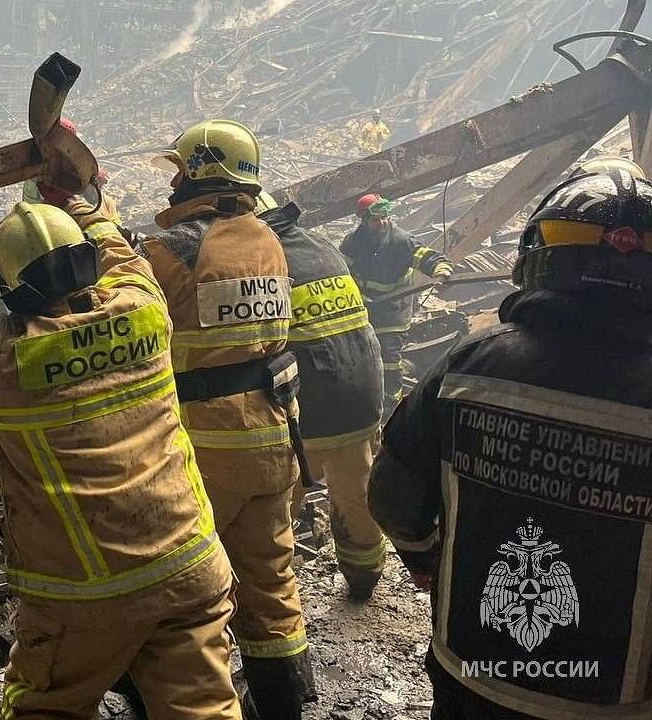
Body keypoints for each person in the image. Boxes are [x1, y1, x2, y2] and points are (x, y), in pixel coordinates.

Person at [0, 164, 240, 720]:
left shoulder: (2, 356)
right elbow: (118, 250)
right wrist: (78, 197)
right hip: (189, 564)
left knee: (46, 707)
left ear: (7, 287)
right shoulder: (145, 308)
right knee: (203, 707)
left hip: (85, 594)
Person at [367, 168, 652, 718]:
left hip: (473, 680)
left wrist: (424, 558)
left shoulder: (466, 368)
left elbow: (393, 501)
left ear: (538, 258)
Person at [142, 120, 312, 720]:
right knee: (271, 585)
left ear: (198, 172)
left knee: (194, 595)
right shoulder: (265, 238)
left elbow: (122, 298)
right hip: (272, 437)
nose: (173, 183)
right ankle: (286, 707)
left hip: (204, 450)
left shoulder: (173, 252)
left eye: (179, 170)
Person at [256, 192, 387, 601]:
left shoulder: (261, 260)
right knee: (357, 495)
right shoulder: (322, 247)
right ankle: (364, 580)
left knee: (274, 506)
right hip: (363, 400)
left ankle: (269, 593)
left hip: (309, 412)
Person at [341, 194, 453, 415]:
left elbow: (429, 258)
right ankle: (368, 397)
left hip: (395, 309)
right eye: (377, 219)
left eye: (385, 217)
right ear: (363, 220)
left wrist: (441, 272)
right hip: (366, 306)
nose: (383, 222)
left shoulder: (401, 240)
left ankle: (392, 405)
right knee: (362, 352)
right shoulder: (353, 242)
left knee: (389, 356)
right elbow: (341, 270)